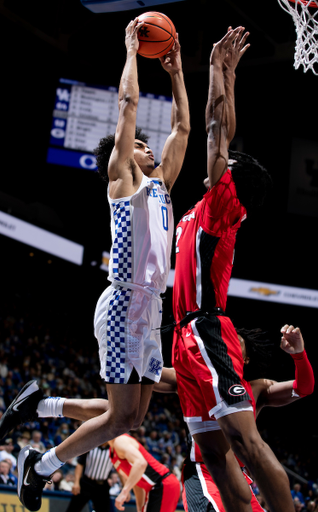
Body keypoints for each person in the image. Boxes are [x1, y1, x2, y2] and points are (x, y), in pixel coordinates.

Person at [0, 16, 190, 512]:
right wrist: (131, 50)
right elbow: (127, 107)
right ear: (126, 158)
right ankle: (39, 463)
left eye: (150, 145)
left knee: (132, 418)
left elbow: (184, 127)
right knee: (123, 418)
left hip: (151, 309)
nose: (149, 146)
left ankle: (42, 407)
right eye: (142, 144)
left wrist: (177, 71)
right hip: (125, 299)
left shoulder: (163, 185)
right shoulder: (122, 180)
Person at [171, 26, 297, 512]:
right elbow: (217, 135)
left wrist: (218, 73)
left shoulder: (224, 205)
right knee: (214, 456)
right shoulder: (199, 209)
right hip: (184, 339)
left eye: (227, 164)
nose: (217, 164)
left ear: (232, 179)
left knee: (247, 444)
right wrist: (223, 74)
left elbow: (217, 129)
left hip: (206, 328)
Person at [156, 324, 314, 512]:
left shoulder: (257, 388)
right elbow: (147, 373)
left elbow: (304, 388)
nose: (227, 344)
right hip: (205, 471)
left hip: (240, 477)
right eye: (223, 341)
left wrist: (299, 354)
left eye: (234, 342)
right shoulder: (191, 379)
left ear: (245, 359)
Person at [108, 433, 180, 512]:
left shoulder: (120, 440)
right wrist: (140, 509)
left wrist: (124, 491)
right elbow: (137, 483)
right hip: (159, 486)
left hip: (162, 483)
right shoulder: (111, 452)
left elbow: (141, 463)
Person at [64, 443, 113, 512]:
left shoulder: (114, 449)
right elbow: (80, 464)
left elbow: (120, 469)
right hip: (86, 483)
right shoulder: (91, 445)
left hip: (102, 486)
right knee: (73, 509)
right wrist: (76, 482)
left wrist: (125, 488)